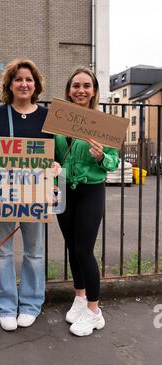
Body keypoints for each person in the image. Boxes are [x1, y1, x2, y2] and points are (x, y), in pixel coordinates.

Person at [0, 59, 56, 331]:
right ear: (10, 84)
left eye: (29, 79)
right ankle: (6, 305)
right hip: (1, 194)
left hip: (34, 194)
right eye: (18, 79)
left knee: (34, 252)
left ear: (36, 84)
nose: (24, 84)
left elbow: (57, 154)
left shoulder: (45, 117)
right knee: (2, 253)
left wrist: (55, 167)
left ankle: (30, 304)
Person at [55, 66, 120, 336]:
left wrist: (99, 156)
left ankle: (94, 311)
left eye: (86, 85)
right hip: (63, 189)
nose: (80, 90)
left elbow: (114, 162)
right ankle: (80, 297)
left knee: (84, 250)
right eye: (75, 85)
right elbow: (52, 154)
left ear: (94, 91)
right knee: (72, 246)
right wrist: (53, 166)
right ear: (69, 90)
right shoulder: (58, 121)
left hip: (91, 190)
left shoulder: (104, 124)